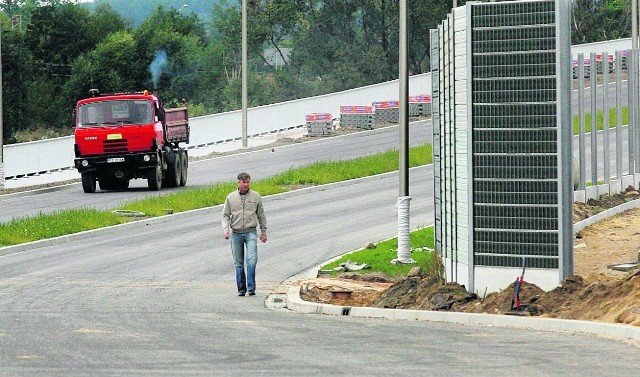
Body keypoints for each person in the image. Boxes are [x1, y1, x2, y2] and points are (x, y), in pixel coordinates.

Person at [222, 172, 268, 296]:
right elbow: (225, 215)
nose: (246, 184)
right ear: (238, 183)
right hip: (236, 233)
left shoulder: (256, 196)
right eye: (244, 182)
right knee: (238, 263)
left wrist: (263, 231)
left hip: (250, 232)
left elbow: (261, 215)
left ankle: (251, 287)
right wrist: (225, 229)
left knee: (251, 260)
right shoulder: (230, 198)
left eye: (248, 182)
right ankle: (241, 289)